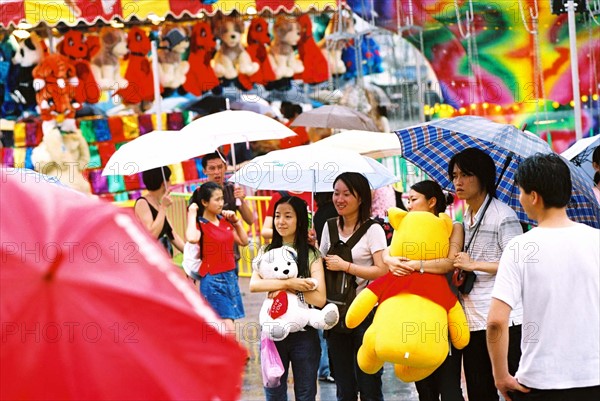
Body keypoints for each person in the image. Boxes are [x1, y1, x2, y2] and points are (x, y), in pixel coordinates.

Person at [487, 153, 600, 401]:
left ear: (534, 196)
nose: (520, 199)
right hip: (595, 376)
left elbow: (496, 322)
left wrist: (501, 376)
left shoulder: (519, 248)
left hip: (540, 381)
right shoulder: (596, 241)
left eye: (521, 192)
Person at [449, 148, 523, 401]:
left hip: (503, 319)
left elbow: (517, 263)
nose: (458, 182)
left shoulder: (503, 215)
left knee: (513, 388)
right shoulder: (466, 215)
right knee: (479, 390)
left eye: (465, 175)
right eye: (455, 175)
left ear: (482, 177)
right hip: (472, 317)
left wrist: (474, 264)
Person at [382, 180, 465, 401]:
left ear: (432, 202)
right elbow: (386, 253)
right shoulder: (408, 225)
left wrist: (415, 264)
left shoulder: (453, 227)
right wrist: (390, 259)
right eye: (408, 200)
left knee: (449, 388)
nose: (408, 205)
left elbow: (449, 263)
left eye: (413, 200)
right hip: (413, 317)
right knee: (424, 389)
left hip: (443, 314)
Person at [319, 172, 388, 401]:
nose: (339, 199)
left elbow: (382, 270)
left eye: (346, 194)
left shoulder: (373, 230)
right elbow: (321, 268)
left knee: (369, 382)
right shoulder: (328, 228)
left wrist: (346, 266)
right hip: (335, 314)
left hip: (365, 315)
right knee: (343, 384)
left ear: (361, 198)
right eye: (336, 193)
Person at [250, 196, 327, 401]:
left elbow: (320, 299)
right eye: (277, 216)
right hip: (273, 334)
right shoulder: (266, 251)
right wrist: (288, 283)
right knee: (274, 393)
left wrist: (290, 289)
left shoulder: (311, 254)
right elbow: (254, 285)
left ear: (300, 220)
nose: (280, 221)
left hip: (305, 335)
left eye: (288, 216)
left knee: (306, 394)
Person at [186, 182, 249, 328]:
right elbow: (192, 238)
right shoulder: (200, 224)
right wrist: (192, 213)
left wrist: (236, 222)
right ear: (204, 202)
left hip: (231, 278)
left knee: (225, 327)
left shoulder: (224, 220)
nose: (221, 203)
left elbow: (244, 241)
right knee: (228, 329)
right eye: (217, 199)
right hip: (213, 280)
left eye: (222, 199)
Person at [202, 152, 255, 274]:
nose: (217, 172)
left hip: (232, 257)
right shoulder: (199, 194)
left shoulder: (232, 189)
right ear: (204, 171)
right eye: (212, 168)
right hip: (210, 259)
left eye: (220, 167)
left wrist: (241, 200)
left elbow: (250, 220)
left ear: (226, 168)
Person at [312, 191, 338, 384]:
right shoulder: (332, 216)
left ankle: (325, 367)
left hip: (322, 273)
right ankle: (327, 368)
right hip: (331, 274)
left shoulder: (319, 214)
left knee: (321, 324)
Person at [134, 166, 184, 256]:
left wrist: (193, 255)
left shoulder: (158, 203)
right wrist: (163, 207)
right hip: (152, 260)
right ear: (163, 183)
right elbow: (152, 235)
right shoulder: (142, 203)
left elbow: (173, 235)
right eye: (169, 179)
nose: (171, 183)